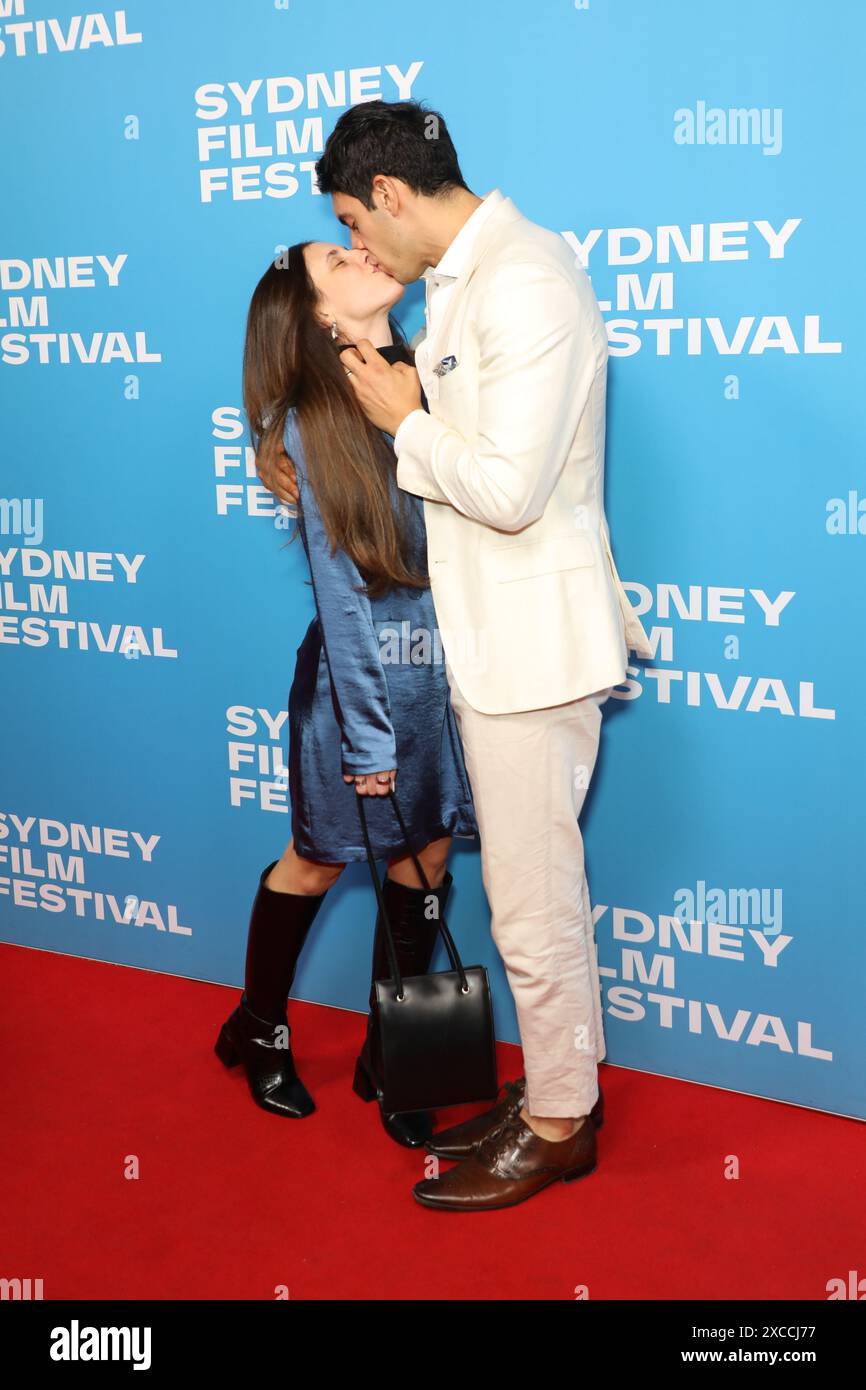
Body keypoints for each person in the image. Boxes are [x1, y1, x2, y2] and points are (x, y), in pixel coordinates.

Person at [259, 100, 654, 1211]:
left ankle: (560, 1121)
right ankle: (552, 1094)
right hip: (487, 649)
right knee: (528, 899)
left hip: (528, 648)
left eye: (350, 218)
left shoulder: (523, 280)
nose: (358, 245)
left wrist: (403, 420)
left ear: (386, 195)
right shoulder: (463, 285)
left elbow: (506, 491)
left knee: (531, 903)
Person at [214, 239, 478, 1149]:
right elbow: (341, 593)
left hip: (448, 672)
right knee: (322, 855)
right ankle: (260, 1025)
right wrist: (368, 737)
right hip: (358, 682)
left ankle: (395, 1054)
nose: (363, 251)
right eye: (338, 256)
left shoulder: (430, 376)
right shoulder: (308, 422)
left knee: (428, 863)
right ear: (319, 313)